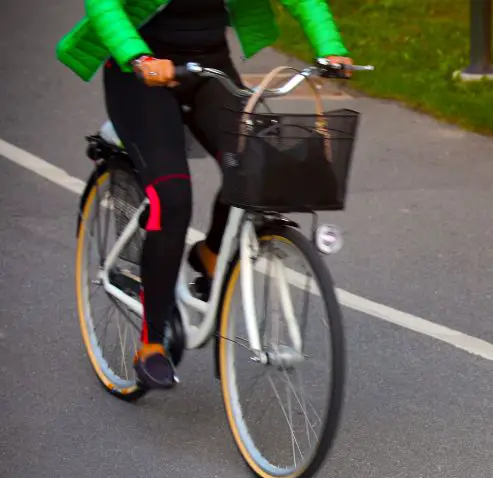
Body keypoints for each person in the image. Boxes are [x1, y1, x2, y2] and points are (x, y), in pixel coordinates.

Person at [56, 0, 353, 389]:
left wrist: (330, 45)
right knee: (172, 197)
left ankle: (212, 252)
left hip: (209, 68)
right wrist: (137, 56)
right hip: (139, 72)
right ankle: (151, 344)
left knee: (260, 166)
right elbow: (104, 5)